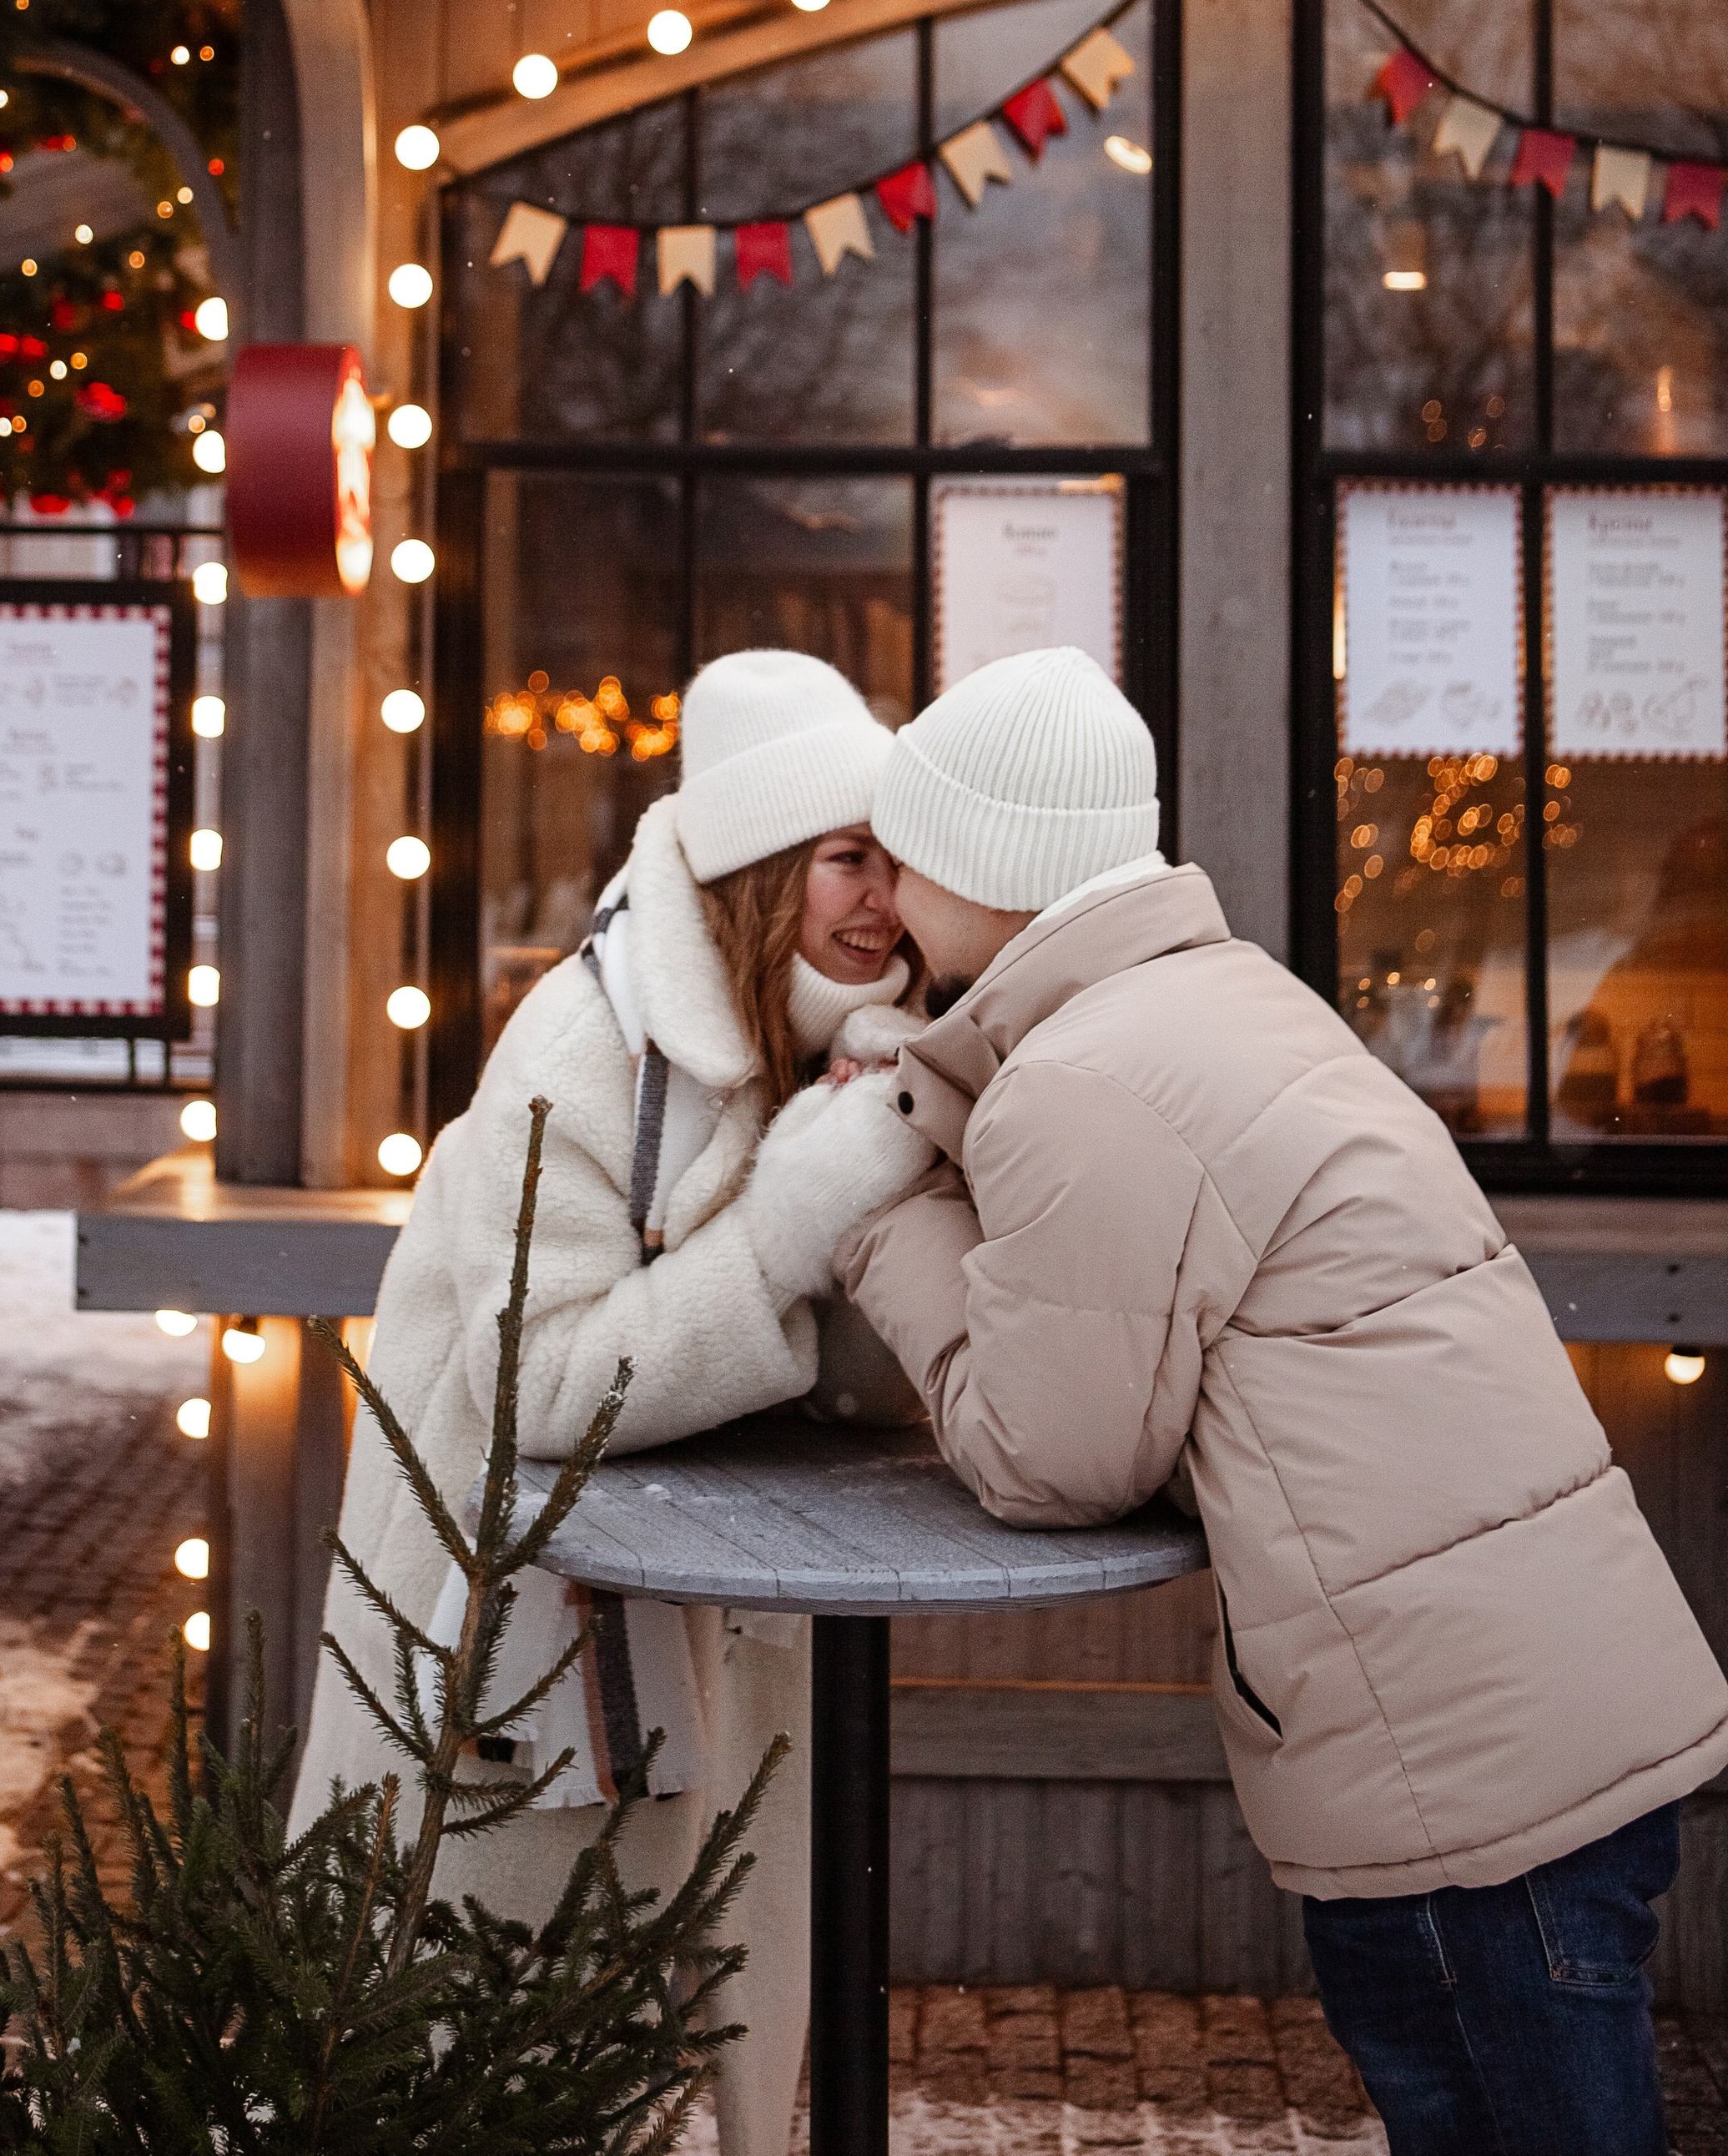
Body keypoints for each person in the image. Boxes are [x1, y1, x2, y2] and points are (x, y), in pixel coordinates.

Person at [831, 644, 1728, 2156]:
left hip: (1458, 1787)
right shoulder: (1214, 1006)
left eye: (906, 855)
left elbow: (1046, 1457)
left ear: (984, 868)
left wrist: (869, 1216)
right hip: (1535, 1717)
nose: (889, 897)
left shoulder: (1089, 1084)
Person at [295, 647, 935, 2156]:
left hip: (725, 1617)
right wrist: (787, 1230)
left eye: (897, 861)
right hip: (509, 1656)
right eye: (849, 858)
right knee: (504, 2051)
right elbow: (547, 1386)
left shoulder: (831, 1045)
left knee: (713, 2026)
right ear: (760, 869)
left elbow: (838, 1374)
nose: (884, 901)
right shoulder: (583, 1058)